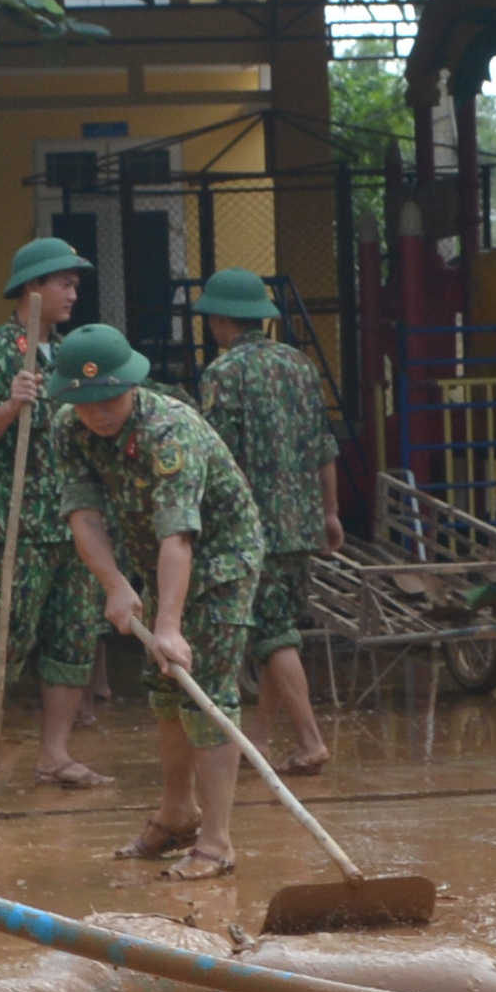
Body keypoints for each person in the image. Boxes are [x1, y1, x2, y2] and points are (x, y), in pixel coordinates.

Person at [48, 324, 271, 874]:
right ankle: (177, 813)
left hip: (220, 556)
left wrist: (169, 625)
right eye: (85, 401)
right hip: (156, 559)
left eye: (109, 398)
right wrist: (115, 584)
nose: (98, 412)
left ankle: (216, 843)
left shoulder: (169, 432)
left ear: (132, 384)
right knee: (166, 689)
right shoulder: (68, 428)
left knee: (206, 691)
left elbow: (179, 536)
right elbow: (83, 516)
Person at [0, 236, 103, 785]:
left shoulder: (66, 353)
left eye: (75, 284)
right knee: (8, 633)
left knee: (74, 635)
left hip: (71, 522)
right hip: (19, 523)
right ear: (33, 287)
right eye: (65, 283)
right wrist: (11, 404)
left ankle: (54, 754)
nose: (73, 293)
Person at [188, 264, 345, 771]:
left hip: (251, 527)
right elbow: (324, 446)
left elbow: (215, 455)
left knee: (274, 636)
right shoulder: (300, 365)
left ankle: (311, 741)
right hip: (302, 522)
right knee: (277, 630)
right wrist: (330, 511)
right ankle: (260, 735)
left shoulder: (222, 373)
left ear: (219, 320)